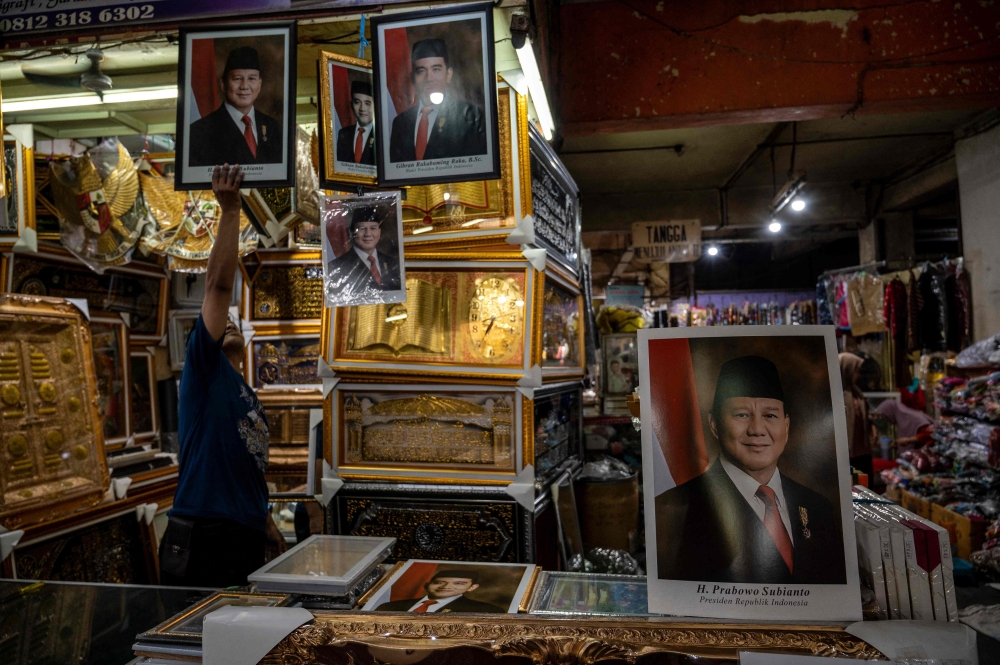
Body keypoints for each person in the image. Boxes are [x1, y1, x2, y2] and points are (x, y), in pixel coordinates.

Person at [160, 164, 286, 587]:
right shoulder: (204, 369)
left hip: (242, 531)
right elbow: (216, 287)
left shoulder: (243, 392)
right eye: (221, 322)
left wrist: (263, 519)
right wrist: (230, 210)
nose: (227, 321)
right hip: (205, 531)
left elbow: (244, 463)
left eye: (235, 320)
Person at [654, 355, 846, 584]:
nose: (757, 429)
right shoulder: (675, 508)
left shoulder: (819, 508)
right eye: (742, 415)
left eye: (770, 415)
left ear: (786, 427)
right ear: (714, 424)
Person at [388, 39, 488, 162]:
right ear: (412, 78)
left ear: (448, 75)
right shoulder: (400, 123)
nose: (429, 78)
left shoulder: (470, 116)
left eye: (436, 69)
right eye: (421, 71)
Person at [189, 47, 284, 167]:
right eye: (237, 79)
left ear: (259, 84)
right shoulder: (199, 132)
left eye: (252, 79)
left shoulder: (273, 127)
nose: (244, 86)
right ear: (223, 84)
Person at [326, 205, 401, 296]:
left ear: (379, 232)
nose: (368, 234)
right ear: (351, 233)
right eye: (362, 229)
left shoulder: (391, 263)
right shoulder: (336, 267)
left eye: (373, 228)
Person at [375, 570, 505, 613]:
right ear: (427, 585)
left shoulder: (487, 610)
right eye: (439, 582)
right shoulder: (390, 607)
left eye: (459, 583)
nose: (446, 587)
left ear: (472, 587)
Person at [840, 352, 873, 479]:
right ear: (846, 369)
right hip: (846, 452)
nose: (858, 375)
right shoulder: (836, 395)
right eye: (856, 371)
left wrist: (871, 426)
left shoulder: (856, 392)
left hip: (862, 449)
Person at [336, 80, 376, 165]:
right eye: (357, 102)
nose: (362, 108)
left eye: (367, 103)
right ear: (351, 105)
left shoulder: (381, 135)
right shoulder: (344, 133)